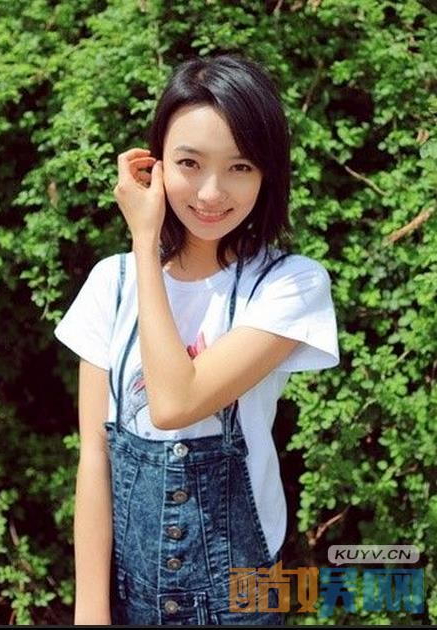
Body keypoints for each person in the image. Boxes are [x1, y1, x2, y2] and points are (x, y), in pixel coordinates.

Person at [54, 53, 340, 626]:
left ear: (267, 173)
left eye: (240, 166)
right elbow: (95, 457)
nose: (211, 192)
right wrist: (90, 610)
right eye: (189, 162)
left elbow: (174, 403)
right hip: (131, 599)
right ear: (155, 164)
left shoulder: (288, 285)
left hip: (242, 600)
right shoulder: (110, 284)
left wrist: (144, 241)